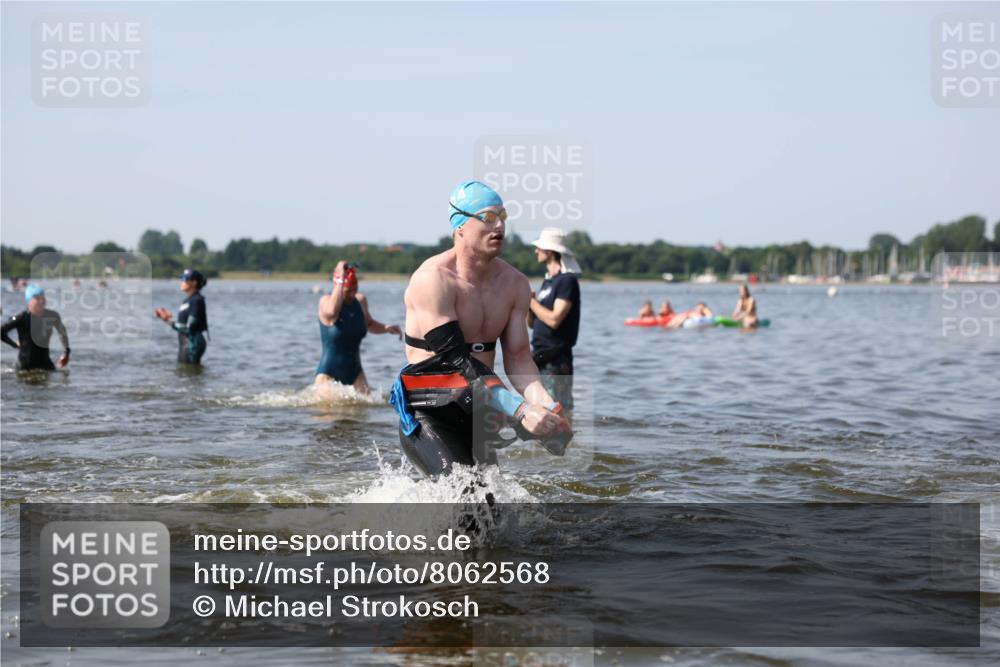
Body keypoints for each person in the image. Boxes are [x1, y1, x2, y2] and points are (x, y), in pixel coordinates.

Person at [389, 180, 571, 477]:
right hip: (430, 412)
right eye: (488, 217)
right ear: (460, 224)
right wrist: (522, 410)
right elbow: (456, 361)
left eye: (503, 216)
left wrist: (549, 409)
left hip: (480, 412)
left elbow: (519, 357)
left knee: (492, 512)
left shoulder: (515, 284)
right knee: (468, 500)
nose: (499, 225)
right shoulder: (433, 279)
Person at [315, 261, 402, 393]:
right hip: (328, 373)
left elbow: (370, 324)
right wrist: (340, 279)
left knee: (364, 411)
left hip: (355, 372)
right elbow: (332, 312)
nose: (352, 294)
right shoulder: (325, 302)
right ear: (337, 285)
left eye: (355, 289)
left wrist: (386, 328)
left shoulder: (360, 301)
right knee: (329, 412)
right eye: (348, 291)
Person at [526, 227, 582, 411]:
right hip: (540, 355)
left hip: (557, 358)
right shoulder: (548, 281)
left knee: (556, 409)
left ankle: (565, 439)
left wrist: (532, 302)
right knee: (542, 408)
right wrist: (529, 306)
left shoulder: (567, 281)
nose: (536, 251)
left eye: (539, 248)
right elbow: (533, 324)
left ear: (550, 252)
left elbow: (554, 320)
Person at [1, 284, 70, 371]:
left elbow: (63, 333)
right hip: (26, 365)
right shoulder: (21, 318)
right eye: (37, 298)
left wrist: (66, 353)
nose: (41, 301)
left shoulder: (52, 316)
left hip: (45, 364)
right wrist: (15, 345)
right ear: (29, 301)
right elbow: (1, 332)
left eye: (43, 297)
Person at [155, 268, 209, 364]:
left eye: (185, 279)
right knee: (185, 371)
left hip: (193, 344)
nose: (182, 282)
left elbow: (189, 328)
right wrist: (167, 318)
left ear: (194, 282)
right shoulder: (188, 300)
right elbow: (182, 324)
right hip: (185, 342)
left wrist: (168, 321)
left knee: (188, 374)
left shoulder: (197, 300)